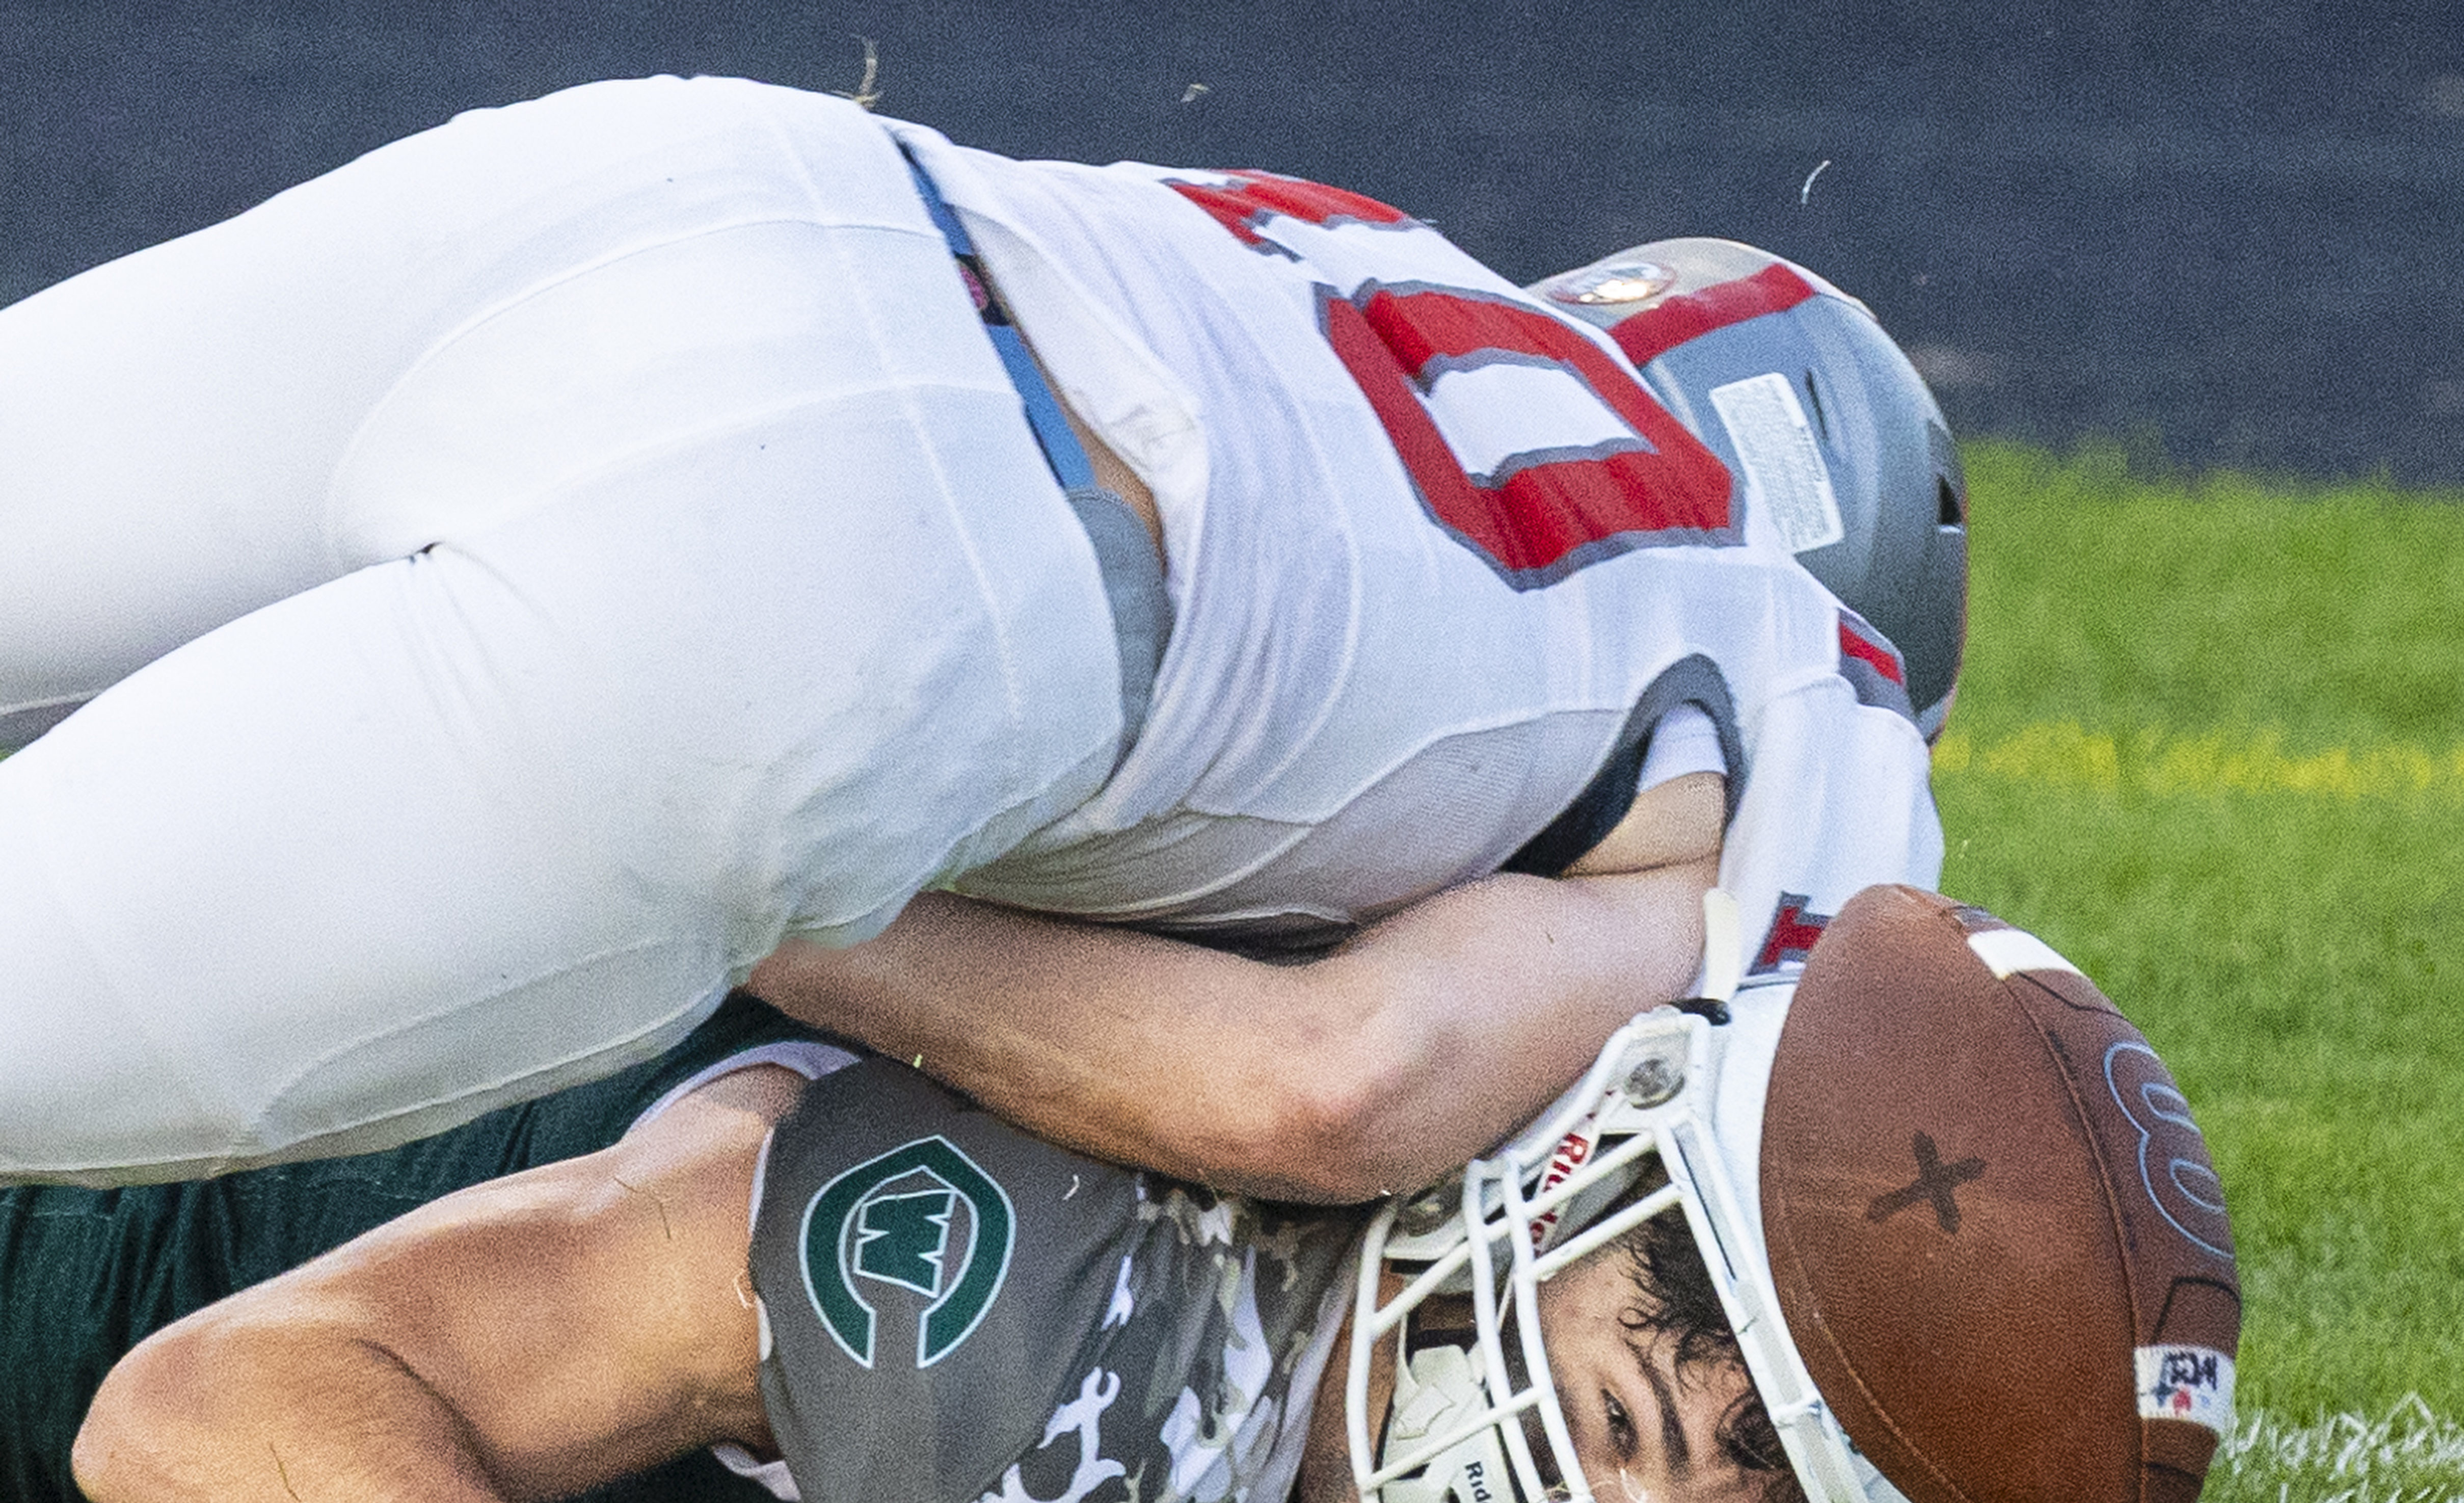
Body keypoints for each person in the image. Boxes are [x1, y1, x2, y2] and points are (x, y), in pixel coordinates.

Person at [0, 73, 1965, 1196]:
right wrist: (796, 909)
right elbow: (1335, 1081)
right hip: (867, 597)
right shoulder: (1798, 714)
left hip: (709, 187)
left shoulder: (1411, 280)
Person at [25, 884, 2240, 1503]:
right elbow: (203, 1414)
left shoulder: (1289, 1327)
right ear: (1576, 1160)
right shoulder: (1014, 1272)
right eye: (1614, 1414)